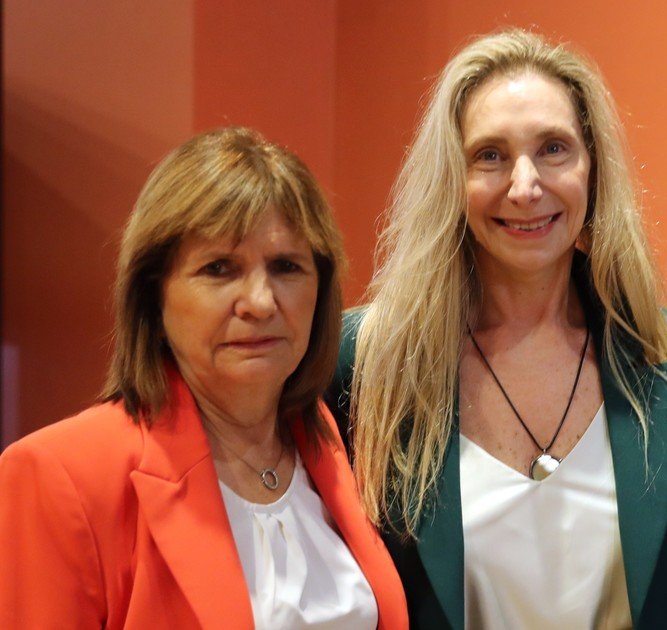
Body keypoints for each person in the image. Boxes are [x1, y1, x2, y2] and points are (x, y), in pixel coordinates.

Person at [327, 29, 667, 629]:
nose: (525, 186)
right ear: (452, 178)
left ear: (593, 169)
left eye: (554, 149)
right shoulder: (366, 361)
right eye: (490, 155)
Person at [0, 127, 408, 629]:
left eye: (286, 266)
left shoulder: (329, 437)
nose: (260, 302)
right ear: (154, 297)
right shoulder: (58, 474)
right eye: (219, 269)